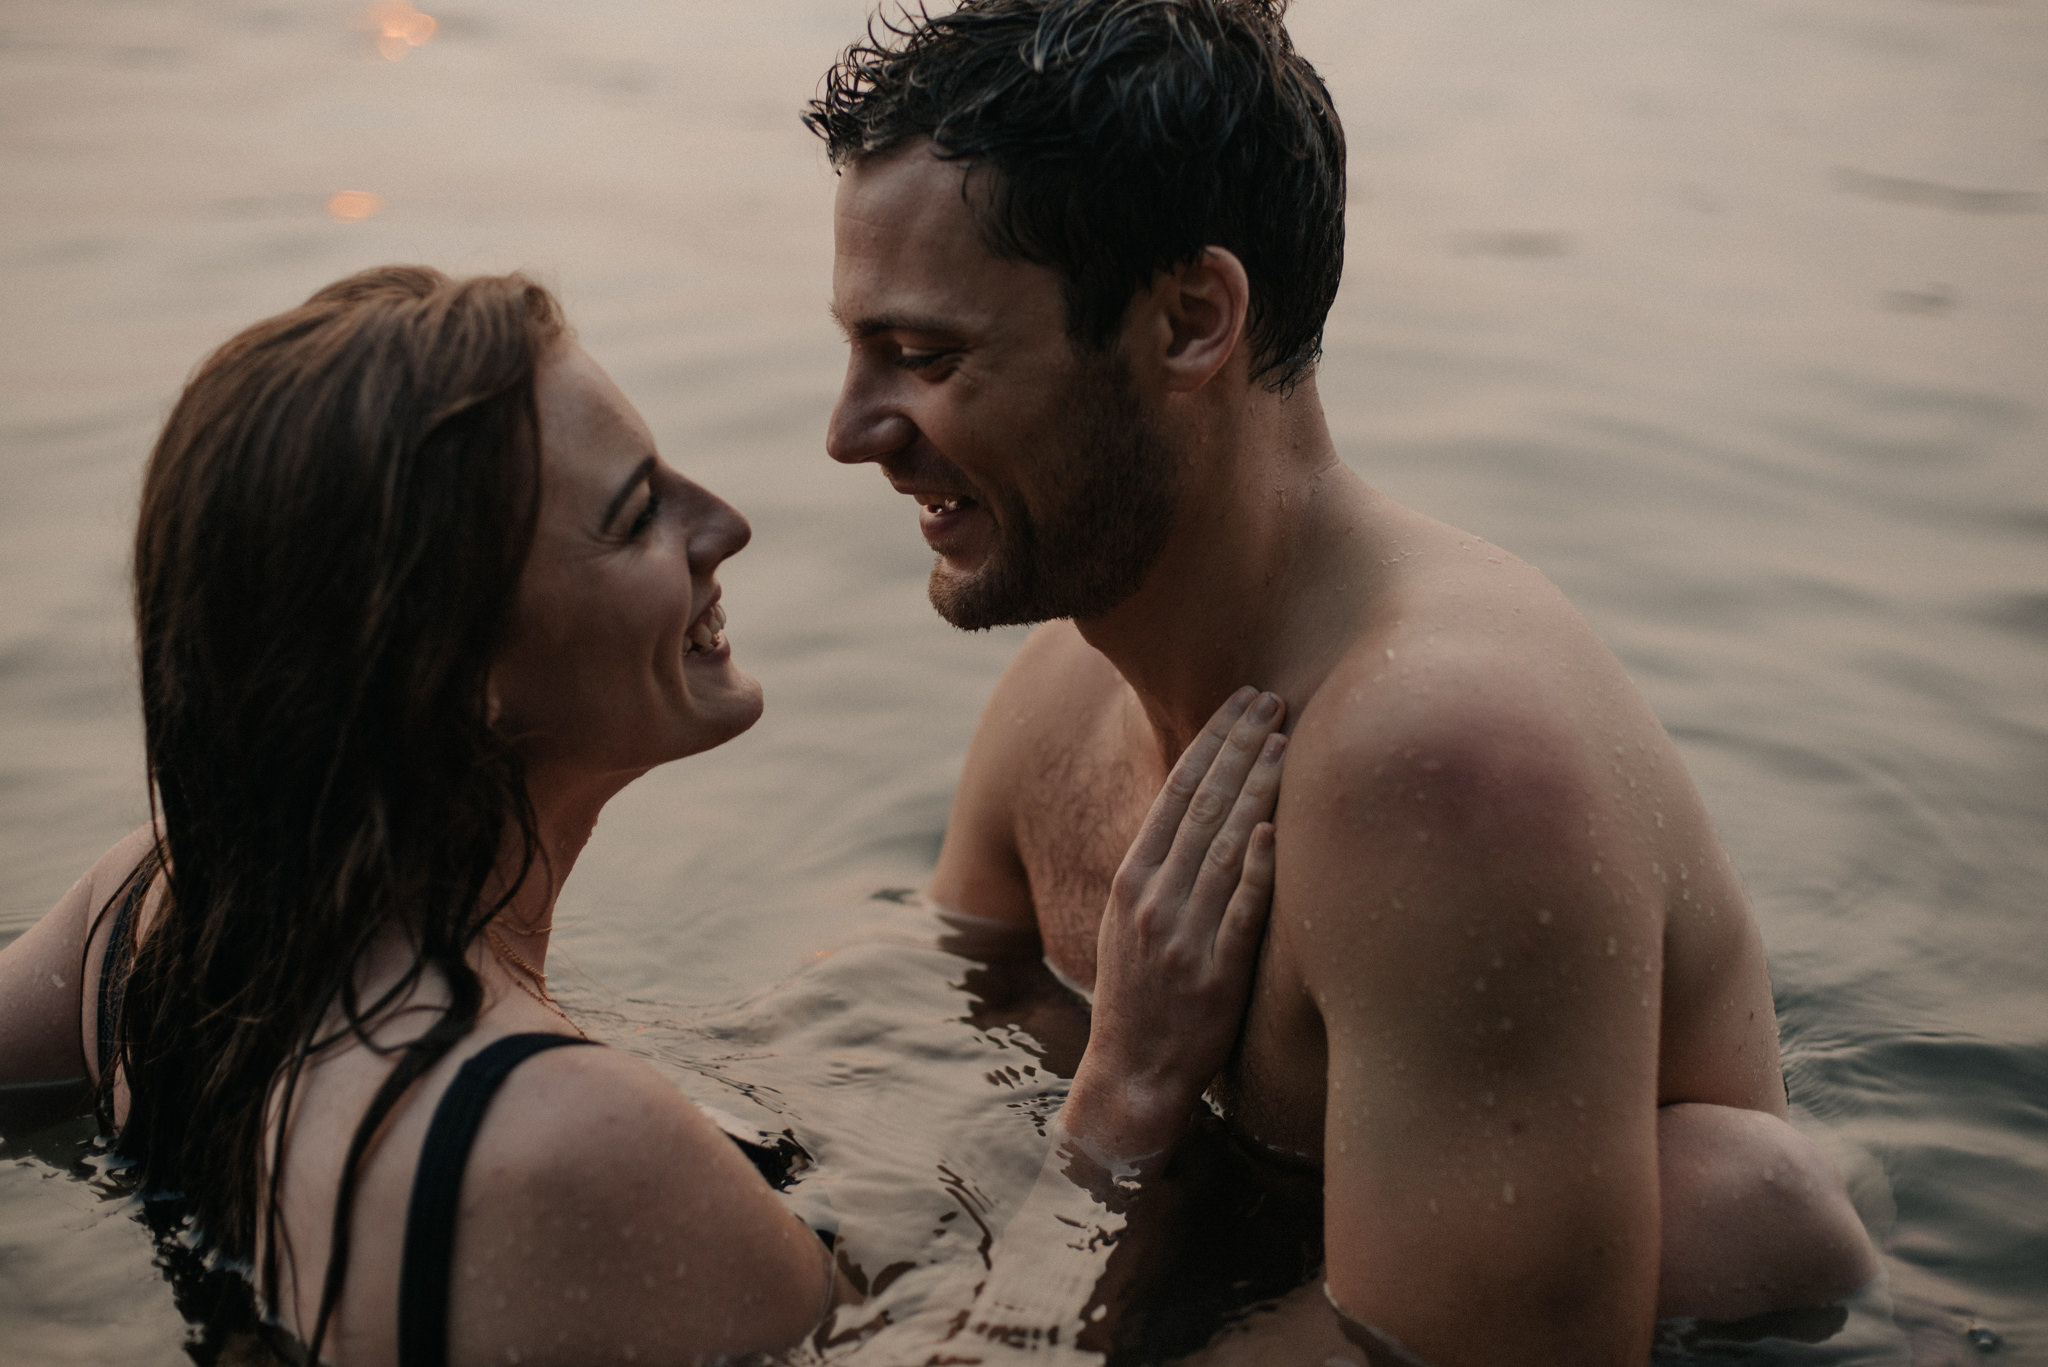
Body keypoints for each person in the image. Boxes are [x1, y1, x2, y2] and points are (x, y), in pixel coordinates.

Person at [806, 1, 1883, 1362]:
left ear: (1191, 319)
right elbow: (925, 1068)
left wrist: (1005, 1304)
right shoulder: (1058, 701)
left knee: (1735, 1209)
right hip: (1247, 1255)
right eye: (854, 350)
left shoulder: (1450, 775)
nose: (850, 436)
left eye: (926, 358)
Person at [0, 265, 1294, 1367]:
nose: (723, 523)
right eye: (635, 517)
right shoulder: (558, 1140)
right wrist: (1123, 1098)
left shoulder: (155, 918)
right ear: (463, 676)